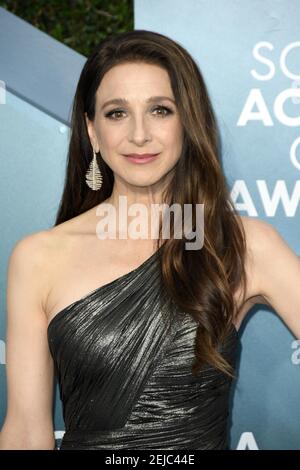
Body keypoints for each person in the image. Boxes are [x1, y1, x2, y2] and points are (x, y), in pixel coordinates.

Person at [0, 30, 299, 450]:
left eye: (160, 110)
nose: (139, 135)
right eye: (117, 113)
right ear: (92, 130)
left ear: (187, 122)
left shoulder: (243, 245)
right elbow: (27, 431)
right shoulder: (38, 257)